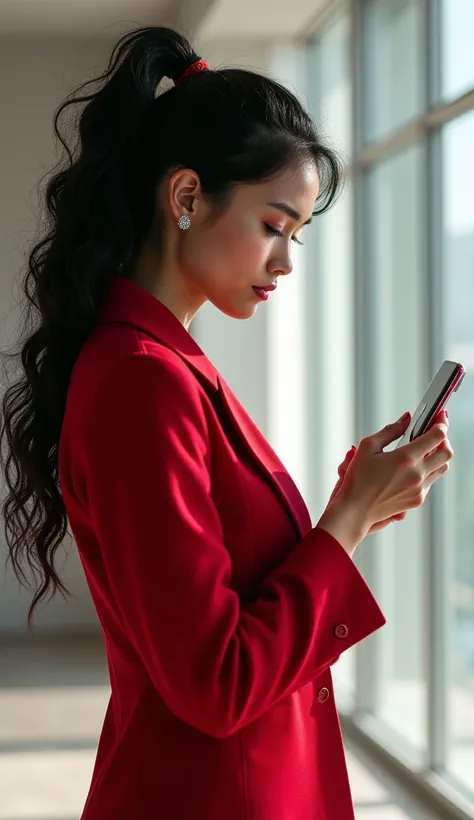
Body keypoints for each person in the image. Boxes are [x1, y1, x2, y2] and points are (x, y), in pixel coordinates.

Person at [0, 26, 452, 820]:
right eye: (275, 226)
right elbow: (217, 683)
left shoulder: (173, 367)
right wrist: (344, 520)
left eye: (298, 235)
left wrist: (359, 501)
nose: (285, 261)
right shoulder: (144, 382)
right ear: (185, 198)